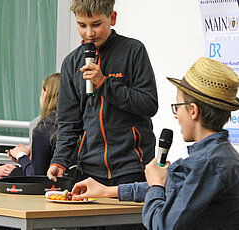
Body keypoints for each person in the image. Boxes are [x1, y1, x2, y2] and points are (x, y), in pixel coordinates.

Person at [71, 57, 239, 229]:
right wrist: (106, 191)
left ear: (193, 111)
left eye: (177, 106)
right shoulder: (217, 155)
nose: (176, 115)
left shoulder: (207, 164)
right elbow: (173, 185)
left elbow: (162, 225)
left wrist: (156, 185)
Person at [47, 0, 158, 187]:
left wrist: (104, 83)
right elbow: (68, 122)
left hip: (132, 167)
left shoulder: (133, 51)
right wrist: (60, 160)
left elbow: (148, 104)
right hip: (89, 169)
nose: (89, 33)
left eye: (96, 25)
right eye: (82, 25)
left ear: (112, 18)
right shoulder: (71, 63)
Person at [7, 73, 62, 176]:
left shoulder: (45, 129)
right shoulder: (79, 123)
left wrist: (21, 156)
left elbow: (36, 177)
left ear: (47, 94)